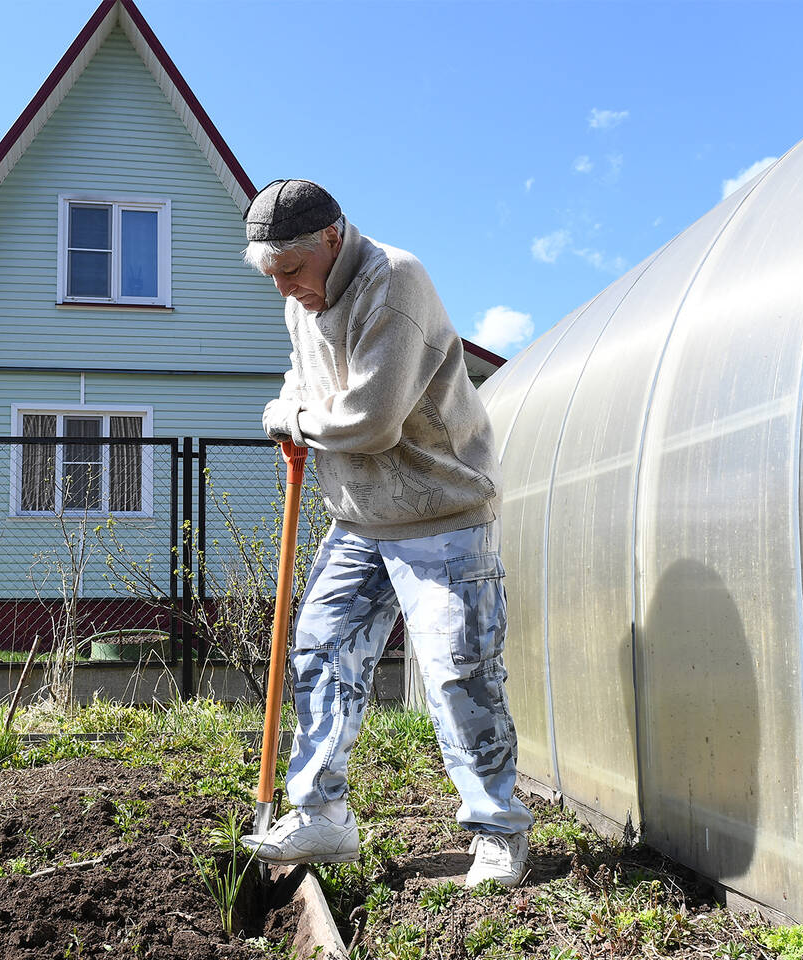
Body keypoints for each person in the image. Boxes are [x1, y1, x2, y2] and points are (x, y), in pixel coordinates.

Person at [238, 179, 533, 889]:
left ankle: (498, 830)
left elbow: (372, 421)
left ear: (332, 241)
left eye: (292, 272)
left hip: (440, 514)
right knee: (321, 651)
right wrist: (292, 401)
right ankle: (323, 815)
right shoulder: (300, 300)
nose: (286, 290)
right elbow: (304, 379)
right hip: (359, 518)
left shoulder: (393, 283)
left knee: (459, 671)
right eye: (272, 276)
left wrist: (292, 419)